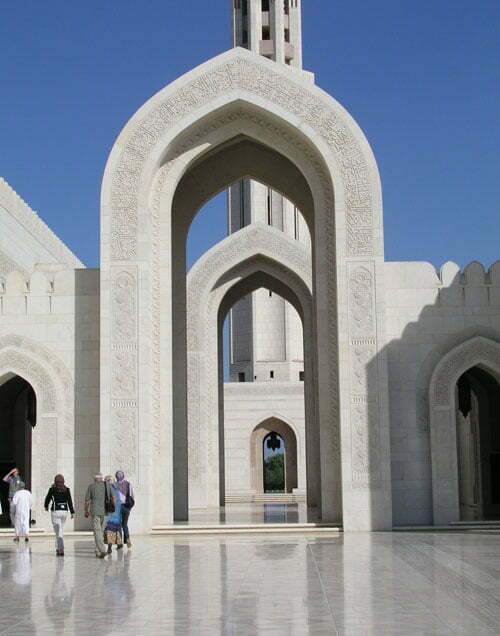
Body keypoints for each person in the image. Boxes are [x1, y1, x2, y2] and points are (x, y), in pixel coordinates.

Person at [84, 473, 114, 559]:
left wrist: (86, 510)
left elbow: (87, 501)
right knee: (100, 532)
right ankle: (98, 551)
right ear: (101, 478)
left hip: (95, 512)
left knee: (97, 532)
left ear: (95, 479)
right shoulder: (108, 485)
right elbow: (113, 498)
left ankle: (102, 550)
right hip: (106, 512)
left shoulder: (91, 486)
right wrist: (113, 508)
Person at [44, 474, 75, 556]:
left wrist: (46, 506)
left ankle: (61, 549)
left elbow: (47, 498)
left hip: (56, 511)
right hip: (64, 511)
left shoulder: (53, 489)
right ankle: (58, 548)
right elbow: (70, 501)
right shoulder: (67, 489)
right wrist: (72, 512)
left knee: (58, 531)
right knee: (59, 530)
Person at [113, 470, 134, 548]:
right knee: (125, 524)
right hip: (126, 507)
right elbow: (132, 496)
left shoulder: (114, 485)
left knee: (118, 525)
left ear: (116, 476)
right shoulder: (128, 484)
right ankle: (127, 539)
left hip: (118, 507)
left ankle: (119, 544)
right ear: (123, 476)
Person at [103, 475, 123, 554]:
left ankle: (109, 547)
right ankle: (119, 544)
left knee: (109, 530)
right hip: (116, 514)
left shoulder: (107, 492)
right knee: (116, 530)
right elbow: (119, 503)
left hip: (109, 515)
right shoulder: (117, 491)